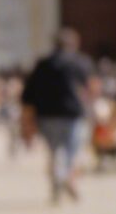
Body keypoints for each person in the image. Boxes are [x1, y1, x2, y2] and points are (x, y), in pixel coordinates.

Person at [21, 29, 97, 203]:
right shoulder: (81, 62)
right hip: (73, 114)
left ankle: (58, 179)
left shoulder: (42, 64)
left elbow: (28, 93)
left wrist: (27, 118)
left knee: (54, 152)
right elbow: (91, 88)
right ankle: (66, 177)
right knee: (72, 151)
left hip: (46, 115)